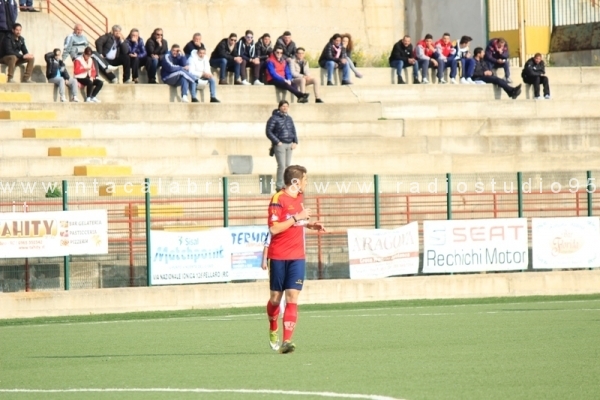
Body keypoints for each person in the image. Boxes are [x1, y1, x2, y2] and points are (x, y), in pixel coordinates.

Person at [264, 164, 326, 354]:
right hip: (278, 256)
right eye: (305, 179)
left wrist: (310, 224)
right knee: (276, 299)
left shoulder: (299, 197)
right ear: (295, 181)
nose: (307, 182)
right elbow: (274, 228)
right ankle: (273, 325)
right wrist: (297, 217)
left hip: (297, 257)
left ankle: (287, 341)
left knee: (292, 296)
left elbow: (297, 221)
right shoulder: (278, 199)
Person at [266, 100, 298, 191]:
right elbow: (268, 131)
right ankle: (279, 186)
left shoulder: (289, 118)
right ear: (279, 107)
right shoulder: (274, 118)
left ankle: (286, 184)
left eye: (286, 106)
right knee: (282, 165)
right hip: (280, 144)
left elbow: (293, 130)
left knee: (287, 166)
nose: (285, 108)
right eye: (283, 106)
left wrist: (295, 141)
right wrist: (277, 141)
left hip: (289, 144)